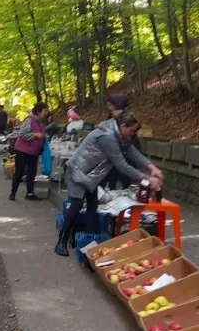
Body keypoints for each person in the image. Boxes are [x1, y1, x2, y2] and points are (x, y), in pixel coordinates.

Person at [54, 112, 164, 257]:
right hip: (78, 172)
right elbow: (121, 165)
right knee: (77, 205)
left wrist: (152, 167)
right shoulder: (107, 137)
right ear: (123, 126)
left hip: (91, 176)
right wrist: (147, 178)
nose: (132, 135)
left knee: (93, 205)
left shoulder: (119, 136)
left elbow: (132, 151)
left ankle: (88, 242)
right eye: (131, 131)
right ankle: (61, 241)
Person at [9, 102, 48, 202]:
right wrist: (35, 135)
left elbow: (42, 135)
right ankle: (13, 192)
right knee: (20, 171)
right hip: (23, 151)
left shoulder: (42, 123)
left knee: (32, 173)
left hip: (34, 152)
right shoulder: (29, 120)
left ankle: (30, 193)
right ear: (38, 111)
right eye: (44, 111)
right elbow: (22, 134)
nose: (46, 113)